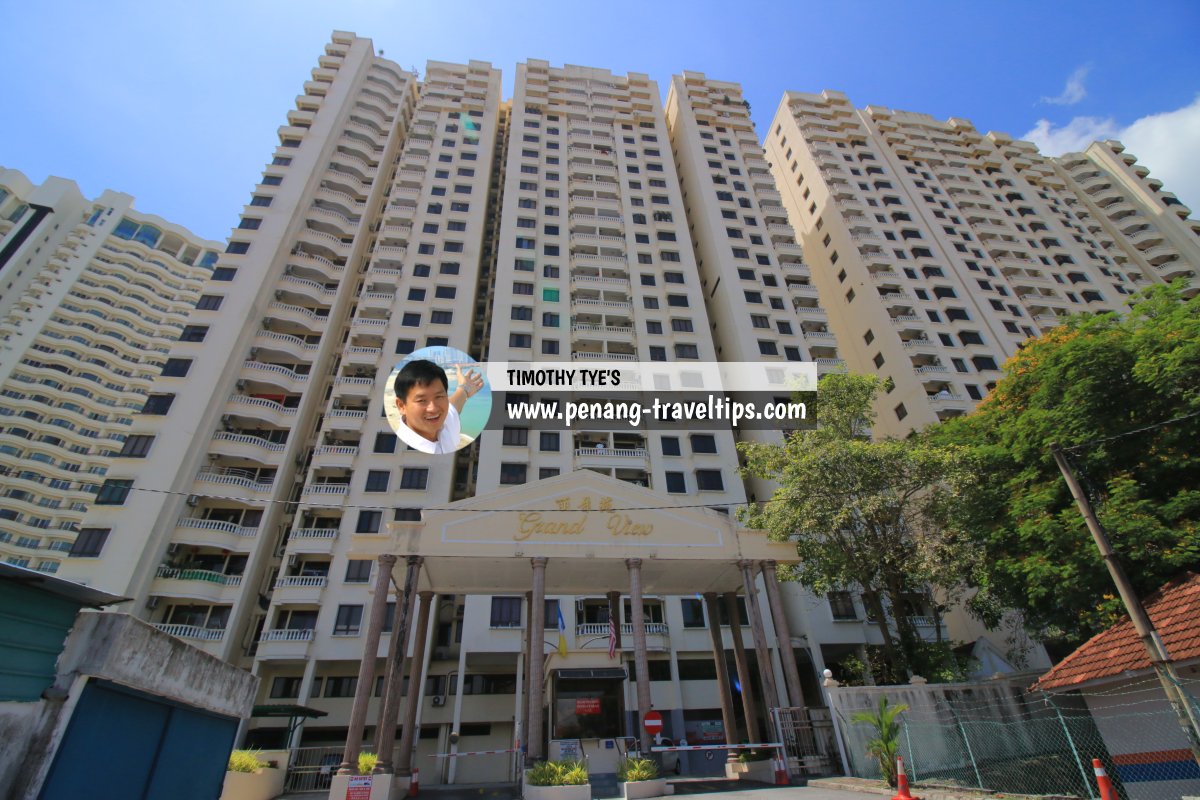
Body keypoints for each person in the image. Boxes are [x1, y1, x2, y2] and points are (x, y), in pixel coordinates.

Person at [393, 359, 483, 454]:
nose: (433, 408)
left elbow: (453, 406)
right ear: (401, 406)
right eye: (422, 400)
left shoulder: (444, 424)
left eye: (439, 397)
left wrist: (464, 388)